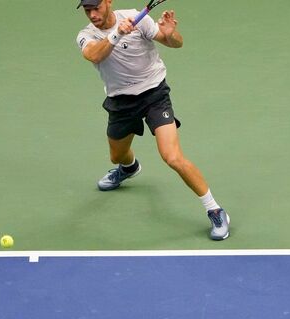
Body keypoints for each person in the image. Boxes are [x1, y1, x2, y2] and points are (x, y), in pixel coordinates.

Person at [75, 0, 230, 240]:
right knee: (117, 155)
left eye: (96, 7)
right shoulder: (86, 35)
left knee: (172, 157)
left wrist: (170, 34)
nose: (92, 14)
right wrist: (117, 33)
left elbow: (176, 43)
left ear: (108, 2)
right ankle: (129, 168)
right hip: (121, 102)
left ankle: (215, 210)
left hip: (154, 94)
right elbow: (94, 55)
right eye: (87, 10)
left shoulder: (138, 18)